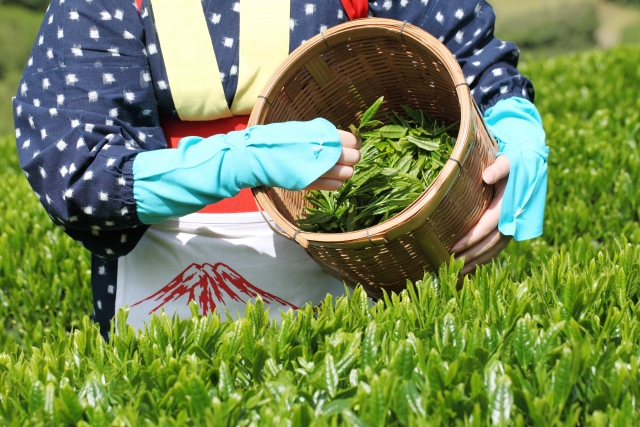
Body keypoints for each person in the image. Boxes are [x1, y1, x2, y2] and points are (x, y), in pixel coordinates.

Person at [13, 0, 547, 339]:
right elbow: (81, 179)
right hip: (165, 291)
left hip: (355, 273)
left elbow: (463, 52)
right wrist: (235, 161)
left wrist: (510, 122)